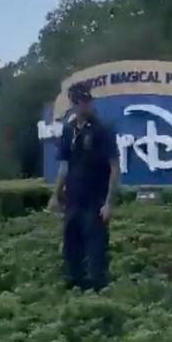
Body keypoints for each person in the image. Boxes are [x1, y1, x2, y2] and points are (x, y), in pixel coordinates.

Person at [49, 82, 120, 291]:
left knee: (96, 252)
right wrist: (55, 195)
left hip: (95, 202)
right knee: (72, 251)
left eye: (88, 101)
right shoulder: (68, 130)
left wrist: (109, 203)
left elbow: (114, 167)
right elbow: (64, 167)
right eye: (81, 102)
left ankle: (99, 292)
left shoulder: (103, 130)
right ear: (74, 103)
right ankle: (74, 289)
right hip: (73, 201)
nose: (86, 105)